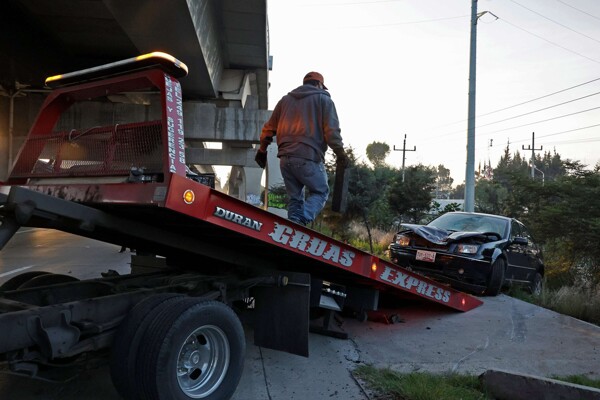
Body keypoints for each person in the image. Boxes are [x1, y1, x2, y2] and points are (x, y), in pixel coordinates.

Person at [255, 71, 349, 226]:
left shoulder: (285, 101)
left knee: (295, 199)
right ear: (319, 85)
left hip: (285, 159)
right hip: (308, 156)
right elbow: (332, 132)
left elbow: (268, 129)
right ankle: (300, 220)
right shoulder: (323, 99)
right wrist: (340, 153)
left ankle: (292, 231)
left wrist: (262, 150)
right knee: (320, 192)